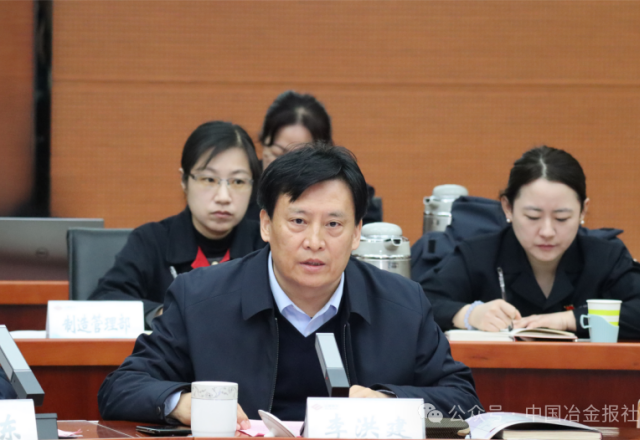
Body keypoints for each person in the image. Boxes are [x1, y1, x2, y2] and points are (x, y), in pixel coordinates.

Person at [97, 142, 481, 425]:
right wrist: (181, 402)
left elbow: (463, 400)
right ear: (266, 225)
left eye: (333, 224)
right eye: (298, 221)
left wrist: (391, 402)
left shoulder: (403, 304)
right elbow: (121, 387)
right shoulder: (199, 298)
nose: (315, 241)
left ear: (356, 233)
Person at [420, 146, 640, 339]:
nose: (547, 232)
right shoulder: (478, 254)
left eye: (562, 218)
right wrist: (468, 314)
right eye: (533, 217)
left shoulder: (605, 258)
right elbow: (418, 303)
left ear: (583, 210)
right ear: (508, 208)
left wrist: (569, 319)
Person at [89, 121, 266, 328]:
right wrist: (168, 314)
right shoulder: (152, 241)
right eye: (209, 179)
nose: (223, 197)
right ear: (184, 180)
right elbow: (104, 301)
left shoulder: (266, 245)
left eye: (238, 182)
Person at [245, 90, 383, 224]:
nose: (286, 168)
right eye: (277, 154)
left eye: (299, 158)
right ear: (263, 143)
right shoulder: (243, 186)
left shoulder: (350, 193)